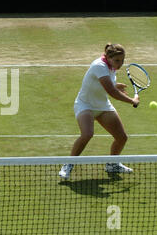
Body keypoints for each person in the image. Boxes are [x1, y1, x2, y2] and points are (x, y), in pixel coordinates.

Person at [59, 43, 139, 180]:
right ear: (108, 57)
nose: (120, 64)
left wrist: (115, 85)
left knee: (122, 137)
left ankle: (112, 165)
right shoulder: (99, 66)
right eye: (117, 61)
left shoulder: (111, 67)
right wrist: (132, 100)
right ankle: (68, 164)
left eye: (122, 60)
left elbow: (107, 84)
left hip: (102, 106)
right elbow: (111, 92)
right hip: (85, 105)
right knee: (87, 134)